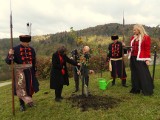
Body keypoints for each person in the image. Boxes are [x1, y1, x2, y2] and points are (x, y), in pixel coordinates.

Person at [5, 35, 39, 111]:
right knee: (21, 88)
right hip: (21, 72)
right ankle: (22, 104)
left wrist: (35, 70)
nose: (28, 43)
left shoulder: (31, 49)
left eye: (28, 42)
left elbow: (33, 61)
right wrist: (10, 54)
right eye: (26, 42)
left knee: (30, 87)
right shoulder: (15, 49)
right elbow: (8, 62)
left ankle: (29, 101)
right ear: (22, 42)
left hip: (30, 71)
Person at [128, 24, 154, 96]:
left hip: (141, 58)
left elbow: (147, 49)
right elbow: (131, 47)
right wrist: (127, 49)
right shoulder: (133, 37)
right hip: (133, 57)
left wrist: (147, 59)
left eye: (135, 30)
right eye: (133, 30)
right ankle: (136, 89)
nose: (133, 31)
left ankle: (147, 90)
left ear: (139, 29)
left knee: (143, 74)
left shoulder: (146, 37)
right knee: (134, 74)